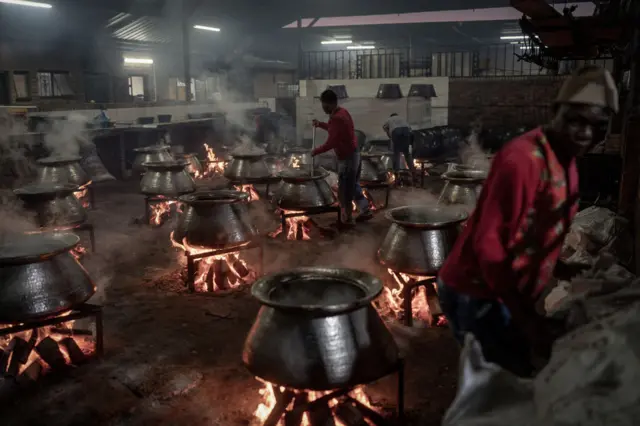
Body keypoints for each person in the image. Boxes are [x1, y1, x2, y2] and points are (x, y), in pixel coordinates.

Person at [436, 65, 618, 377]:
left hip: (504, 293)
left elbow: (542, 230)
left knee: (511, 380)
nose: (586, 133)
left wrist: (560, 267)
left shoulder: (568, 162)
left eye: (598, 126)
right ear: (554, 111)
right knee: (501, 386)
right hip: (479, 294)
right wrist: (527, 320)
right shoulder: (523, 161)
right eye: (575, 120)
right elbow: (489, 248)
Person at [312, 89, 372, 225]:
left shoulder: (337, 118)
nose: (323, 108)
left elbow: (332, 141)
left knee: (345, 190)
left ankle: (348, 219)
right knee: (353, 185)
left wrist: (316, 151)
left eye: (324, 105)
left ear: (331, 104)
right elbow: (335, 130)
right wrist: (320, 124)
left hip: (348, 158)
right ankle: (365, 210)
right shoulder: (342, 112)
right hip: (354, 153)